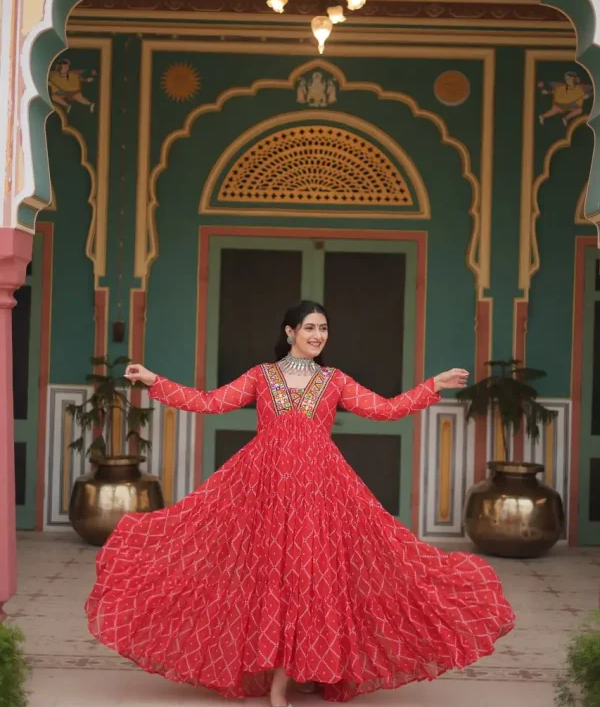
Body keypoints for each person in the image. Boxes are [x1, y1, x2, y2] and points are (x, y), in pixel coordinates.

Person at [85, 300, 515, 705]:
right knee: (269, 577)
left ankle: (299, 671)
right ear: (289, 331)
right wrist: (152, 381)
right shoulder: (261, 376)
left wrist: (430, 386)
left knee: (312, 578)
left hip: (321, 492)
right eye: (309, 327)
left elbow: (385, 409)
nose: (317, 335)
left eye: (323, 328)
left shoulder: (334, 380)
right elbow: (209, 402)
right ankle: (279, 679)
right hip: (263, 490)